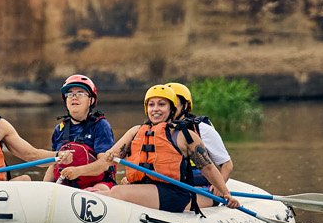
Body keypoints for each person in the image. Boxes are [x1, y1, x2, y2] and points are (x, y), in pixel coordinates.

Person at [99, 85, 238, 212]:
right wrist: (106, 157)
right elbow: (109, 158)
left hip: (174, 192)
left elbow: (208, 168)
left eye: (162, 104)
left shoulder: (188, 134)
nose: (156, 109)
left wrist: (225, 193)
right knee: (101, 193)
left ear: (173, 108)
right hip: (149, 188)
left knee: (117, 192)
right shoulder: (138, 131)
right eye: (152, 104)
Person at [46, 74, 116, 188]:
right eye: (70, 94)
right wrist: (45, 187)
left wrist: (78, 171)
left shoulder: (101, 126)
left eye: (80, 93)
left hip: (98, 184)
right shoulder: (59, 129)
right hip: (66, 185)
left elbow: (104, 164)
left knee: (99, 189)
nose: (74, 97)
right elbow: (54, 164)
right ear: (66, 101)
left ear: (91, 100)